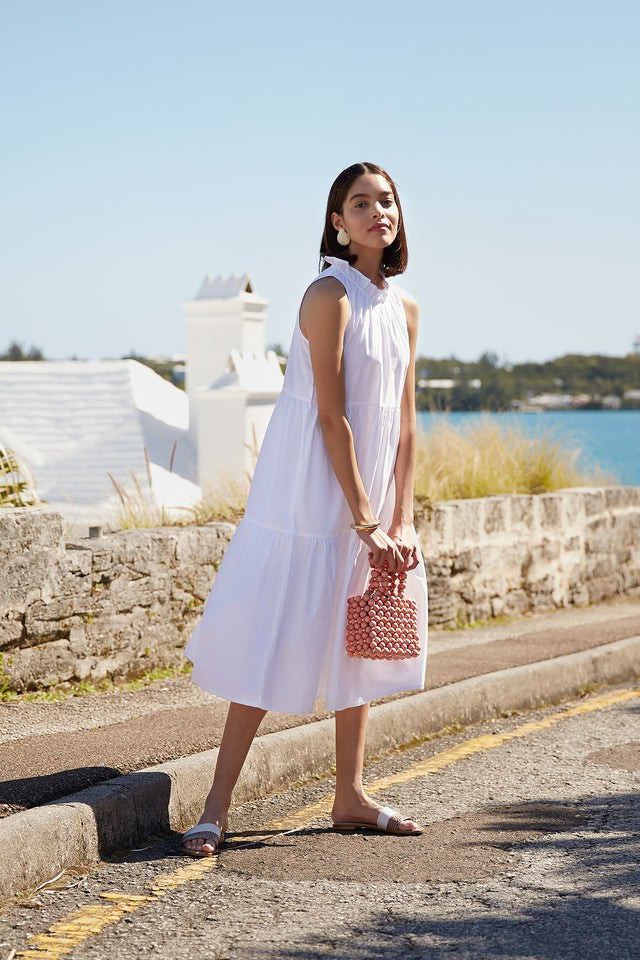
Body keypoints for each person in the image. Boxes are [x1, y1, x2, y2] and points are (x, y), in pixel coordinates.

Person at [180, 161, 429, 857]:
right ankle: (216, 804)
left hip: (374, 502)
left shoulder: (405, 309)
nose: (378, 211)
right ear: (336, 221)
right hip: (311, 495)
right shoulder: (329, 294)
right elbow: (331, 418)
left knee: (363, 633)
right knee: (277, 631)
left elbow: (405, 426)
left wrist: (399, 519)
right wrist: (364, 519)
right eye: (361, 202)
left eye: (387, 201)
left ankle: (350, 794)